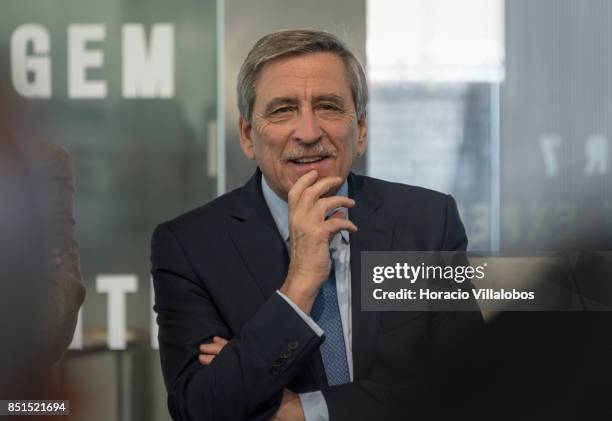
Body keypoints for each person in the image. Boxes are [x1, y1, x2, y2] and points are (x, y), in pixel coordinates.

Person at [151, 29, 483, 421]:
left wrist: (307, 410)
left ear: (359, 130)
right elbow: (201, 408)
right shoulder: (191, 246)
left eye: (327, 106)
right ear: (247, 135)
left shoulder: (426, 222)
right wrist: (300, 283)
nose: (308, 133)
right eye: (282, 110)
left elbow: (469, 387)